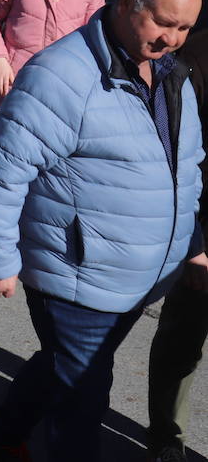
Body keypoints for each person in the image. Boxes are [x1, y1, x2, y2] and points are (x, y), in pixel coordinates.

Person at [0, 0, 204, 462]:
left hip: (133, 274)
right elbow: (3, 170)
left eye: (185, 28)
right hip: (75, 273)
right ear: (124, 3)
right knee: (83, 395)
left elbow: (188, 167)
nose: (173, 39)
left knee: (65, 364)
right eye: (163, 22)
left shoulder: (173, 73)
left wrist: (194, 244)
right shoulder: (62, 75)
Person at [146, 28, 208, 462]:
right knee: (181, 339)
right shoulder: (198, 55)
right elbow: (174, 153)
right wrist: (193, 241)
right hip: (204, 227)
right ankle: (167, 438)